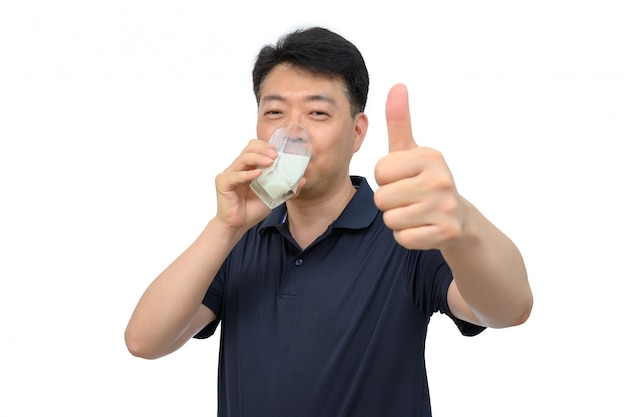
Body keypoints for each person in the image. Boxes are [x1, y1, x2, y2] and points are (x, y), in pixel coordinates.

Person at [125, 26, 533, 417]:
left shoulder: (403, 231)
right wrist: (225, 226)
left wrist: (462, 222)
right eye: (274, 111)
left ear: (357, 133)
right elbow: (144, 341)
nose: (292, 130)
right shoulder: (236, 241)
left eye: (318, 112)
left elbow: (508, 309)